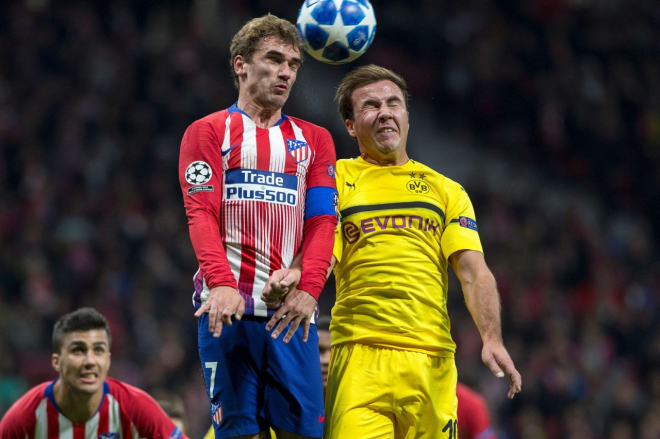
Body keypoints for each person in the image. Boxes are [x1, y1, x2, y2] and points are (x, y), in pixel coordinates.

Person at [263, 65, 521, 439]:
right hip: (358, 355)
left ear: (407, 116)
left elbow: (473, 272)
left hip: (430, 358)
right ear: (351, 126)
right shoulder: (336, 178)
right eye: (370, 105)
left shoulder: (446, 190)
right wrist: (298, 278)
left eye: (393, 103)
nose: (385, 112)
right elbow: (323, 250)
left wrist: (492, 337)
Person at [178, 13, 337, 439]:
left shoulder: (316, 140)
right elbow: (201, 214)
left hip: (290, 317)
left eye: (294, 63)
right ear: (240, 64)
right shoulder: (208, 131)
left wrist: (309, 288)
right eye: (274, 58)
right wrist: (222, 283)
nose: (286, 71)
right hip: (227, 314)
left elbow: (323, 222)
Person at [0, 307, 186, 439]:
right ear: (56, 361)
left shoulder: (134, 406)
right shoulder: (25, 417)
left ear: (108, 359)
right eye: (78, 350)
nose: (90, 361)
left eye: (98, 350)